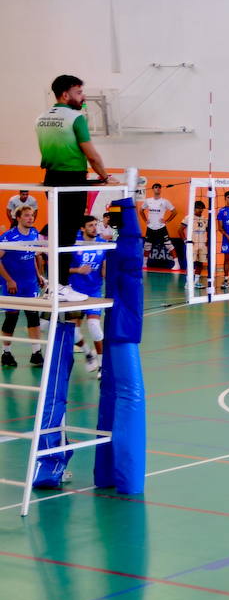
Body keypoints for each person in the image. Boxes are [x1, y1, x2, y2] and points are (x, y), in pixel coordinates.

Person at [35, 74, 107, 298]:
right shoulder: (76, 118)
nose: (83, 97)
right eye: (78, 92)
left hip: (51, 178)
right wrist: (104, 176)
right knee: (67, 234)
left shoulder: (41, 118)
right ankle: (61, 286)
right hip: (73, 180)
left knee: (59, 232)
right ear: (65, 94)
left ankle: (55, 285)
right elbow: (91, 155)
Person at [0, 206, 47, 367]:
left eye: (32, 215)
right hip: (13, 285)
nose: (30, 218)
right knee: (11, 319)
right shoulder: (8, 237)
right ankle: (6, 353)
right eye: (26, 216)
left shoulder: (34, 233)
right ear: (18, 217)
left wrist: (38, 275)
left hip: (30, 284)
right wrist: (9, 280)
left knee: (33, 317)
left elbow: (32, 256)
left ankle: (36, 353)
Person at [69, 215, 107, 375]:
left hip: (94, 291)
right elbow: (59, 268)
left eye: (95, 225)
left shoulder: (103, 244)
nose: (94, 228)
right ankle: (87, 353)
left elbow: (104, 269)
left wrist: (107, 272)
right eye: (90, 225)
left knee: (94, 327)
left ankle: (102, 366)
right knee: (73, 332)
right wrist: (78, 270)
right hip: (74, 292)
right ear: (82, 228)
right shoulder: (73, 243)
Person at [140, 182, 177, 268]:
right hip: (150, 227)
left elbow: (174, 212)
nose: (158, 188)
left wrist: (167, 221)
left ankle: (177, 264)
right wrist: (145, 220)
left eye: (159, 187)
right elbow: (141, 210)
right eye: (156, 187)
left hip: (161, 227)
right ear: (153, 189)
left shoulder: (165, 201)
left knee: (169, 245)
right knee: (147, 246)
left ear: (161, 189)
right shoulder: (148, 201)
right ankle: (144, 264)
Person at [182, 200, 209, 289]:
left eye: (202, 208)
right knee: (191, 263)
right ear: (194, 208)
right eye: (198, 208)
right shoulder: (188, 218)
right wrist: (185, 240)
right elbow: (180, 229)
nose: (200, 210)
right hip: (192, 244)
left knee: (200, 263)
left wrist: (208, 240)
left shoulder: (205, 219)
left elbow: (208, 230)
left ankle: (196, 282)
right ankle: (188, 282)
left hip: (202, 244)